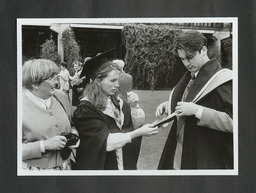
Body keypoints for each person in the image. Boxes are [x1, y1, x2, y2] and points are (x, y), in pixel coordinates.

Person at [156, 31, 233, 169]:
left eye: (190, 57)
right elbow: (192, 100)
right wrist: (169, 105)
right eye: (182, 59)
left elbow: (234, 123)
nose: (186, 63)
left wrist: (198, 111)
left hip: (206, 156)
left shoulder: (224, 80)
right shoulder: (189, 78)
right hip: (180, 153)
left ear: (203, 50)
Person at [73, 47, 158, 170]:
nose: (117, 85)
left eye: (117, 80)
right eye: (112, 80)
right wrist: (137, 133)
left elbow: (134, 124)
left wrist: (134, 107)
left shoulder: (116, 100)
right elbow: (105, 142)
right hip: (102, 167)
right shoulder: (85, 109)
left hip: (123, 162)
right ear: (98, 81)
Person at [22, 59, 79, 170]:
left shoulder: (61, 97)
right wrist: (44, 145)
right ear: (35, 84)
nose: (56, 82)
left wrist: (73, 135)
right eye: (50, 79)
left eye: (56, 76)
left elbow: (72, 124)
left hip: (65, 166)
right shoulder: (17, 107)